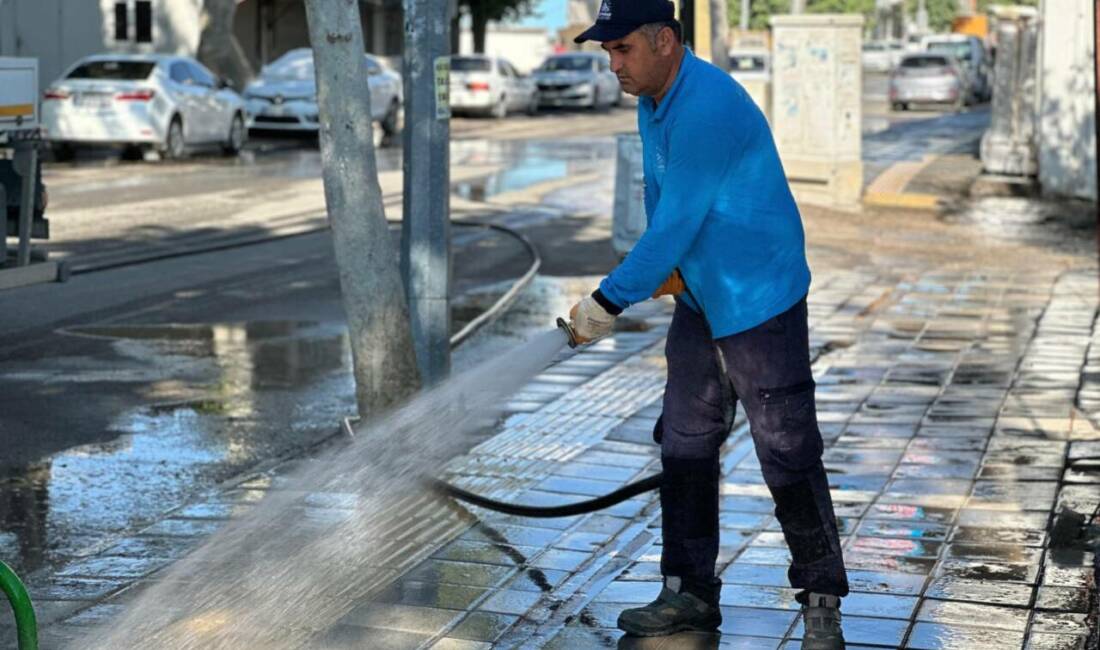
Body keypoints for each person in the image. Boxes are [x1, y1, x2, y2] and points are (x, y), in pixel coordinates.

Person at [567, 1, 849, 648]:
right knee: (685, 443)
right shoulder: (654, 102)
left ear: (664, 40)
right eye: (607, 52)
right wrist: (669, 277)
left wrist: (608, 300)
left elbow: (674, 223)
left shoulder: (708, 106)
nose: (614, 65)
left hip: (758, 298)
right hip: (701, 299)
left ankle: (822, 597)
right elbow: (661, 205)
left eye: (622, 50)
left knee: (786, 448)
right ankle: (687, 593)